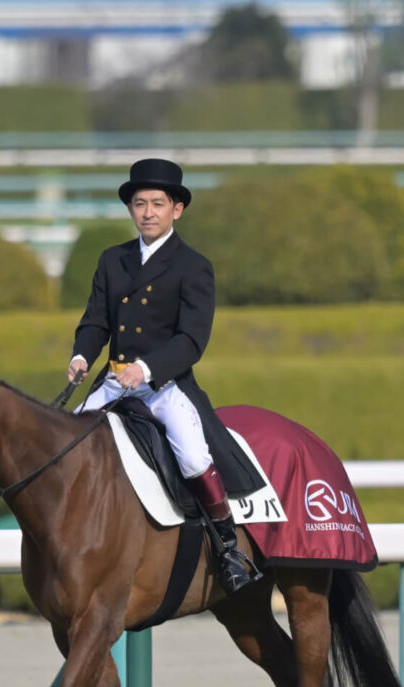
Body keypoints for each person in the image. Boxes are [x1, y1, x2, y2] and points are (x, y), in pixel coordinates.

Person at [66, 158, 260, 594]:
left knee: (192, 456)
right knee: (67, 445)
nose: (147, 212)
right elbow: (96, 320)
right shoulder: (112, 260)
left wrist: (148, 369)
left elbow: (192, 339)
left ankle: (228, 548)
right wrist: (81, 355)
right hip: (113, 382)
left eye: (157, 203)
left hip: (164, 386)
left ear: (177, 209)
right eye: (139, 204)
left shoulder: (193, 266)